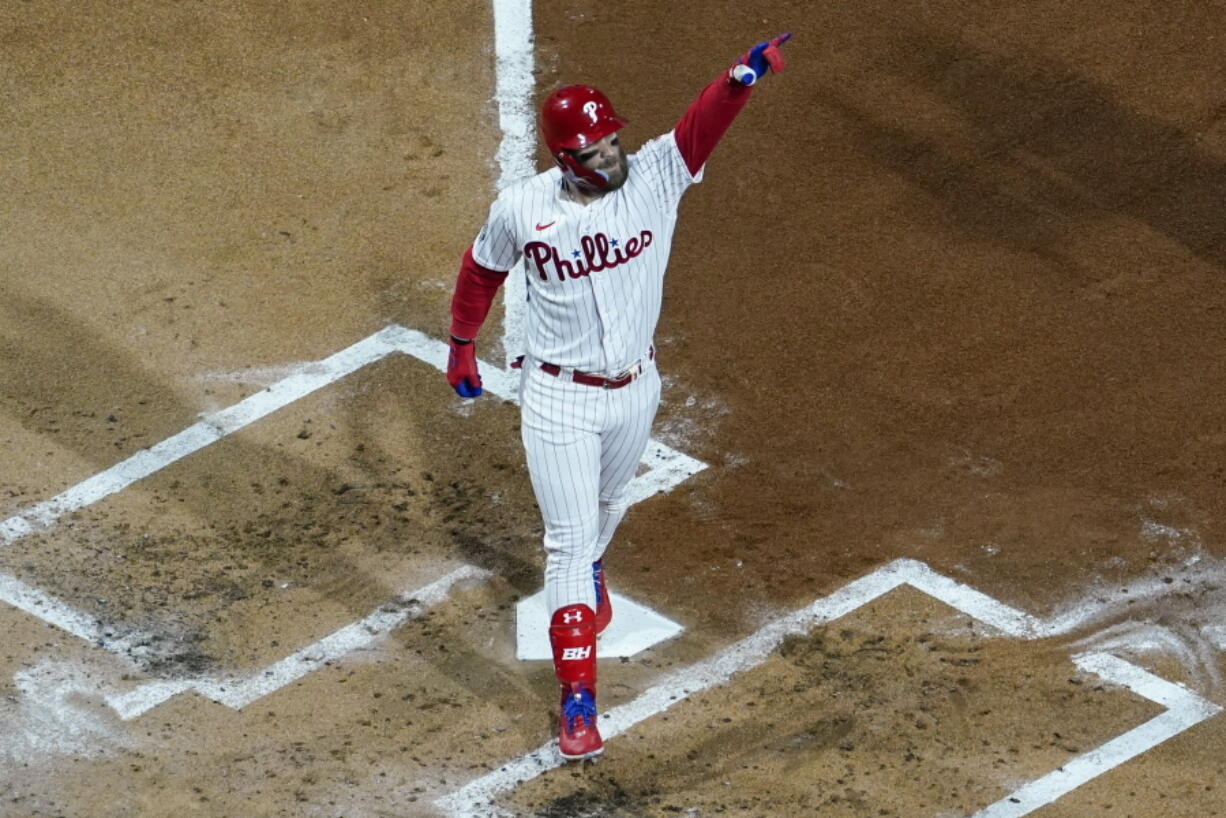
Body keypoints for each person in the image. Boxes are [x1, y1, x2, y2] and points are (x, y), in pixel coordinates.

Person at [445, 34, 793, 760]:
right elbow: (480, 272)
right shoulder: (524, 209)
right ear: (565, 159)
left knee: (605, 512)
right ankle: (579, 704)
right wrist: (460, 343)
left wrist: (742, 77)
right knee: (568, 544)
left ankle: (595, 568)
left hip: (638, 390)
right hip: (558, 399)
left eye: (612, 140)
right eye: (595, 150)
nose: (611, 155)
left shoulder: (657, 176)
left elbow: (702, 123)